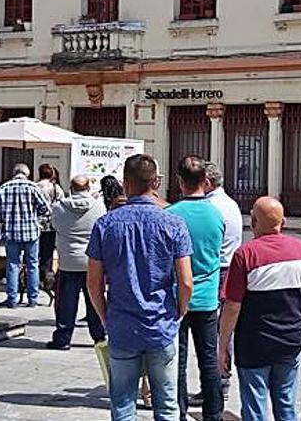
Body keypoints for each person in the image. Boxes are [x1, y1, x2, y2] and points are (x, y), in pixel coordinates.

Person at [87, 154, 194, 421]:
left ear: (125, 184)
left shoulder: (105, 224)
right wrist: (179, 312)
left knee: (123, 403)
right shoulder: (173, 222)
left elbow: (93, 282)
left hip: (122, 323)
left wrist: (104, 316)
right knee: (167, 404)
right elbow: (186, 281)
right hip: (161, 323)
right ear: (156, 182)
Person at [218, 197, 301, 421]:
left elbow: (233, 306)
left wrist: (223, 345)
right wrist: (298, 320)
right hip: (290, 340)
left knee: (254, 405)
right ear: (282, 222)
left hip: (254, 343)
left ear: (253, 221)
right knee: (286, 402)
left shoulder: (245, 255)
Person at [167, 156, 225, 421]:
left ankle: (178, 411)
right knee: (209, 360)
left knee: (176, 361)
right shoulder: (216, 215)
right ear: (206, 181)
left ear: (180, 182)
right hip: (208, 299)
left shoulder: (170, 215)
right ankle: (213, 413)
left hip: (176, 297)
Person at [46, 175, 107, 350]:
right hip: (92, 262)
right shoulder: (99, 207)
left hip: (68, 261)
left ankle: (63, 338)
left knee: (65, 303)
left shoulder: (58, 208)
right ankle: (99, 336)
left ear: (71, 188)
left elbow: (54, 226)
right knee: (95, 301)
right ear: (88, 188)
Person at [204, 162, 243, 401]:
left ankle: (217, 380)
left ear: (207, 183)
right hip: (230, 268)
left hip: (215, 270)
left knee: (212, 328)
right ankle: (222, 378)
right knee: (224, 327)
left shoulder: (210, 206)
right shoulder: (230, 203)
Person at [0, 163, 53, 308]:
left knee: (12, 264)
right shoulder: (33, 188)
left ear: (14, 173)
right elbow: (46, 208)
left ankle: (12, 298)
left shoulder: (3, 188)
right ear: (27, 174)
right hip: (31, 232)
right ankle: (33, 299)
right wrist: (34, 216)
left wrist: (6, 218)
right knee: (33, 264)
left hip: (10, 232)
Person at [37, 164, 66, 282]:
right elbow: (62, 205)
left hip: (35, 224)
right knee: (48, 252)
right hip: (51, 224)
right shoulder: (56, 188)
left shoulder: (34, 187)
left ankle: (33, 277)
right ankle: (46, 277)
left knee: (35, 252)